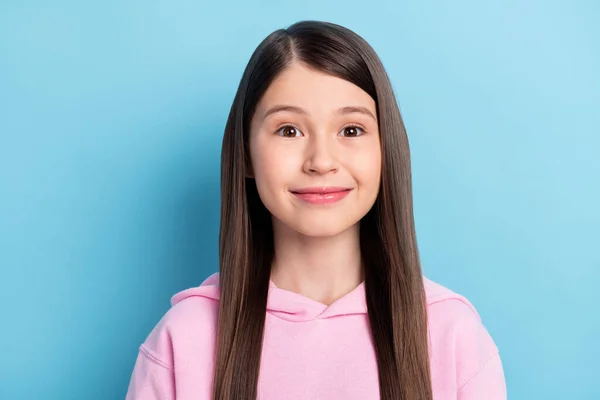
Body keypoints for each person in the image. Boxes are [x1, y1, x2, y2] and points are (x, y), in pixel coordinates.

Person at [125, 20, 507, 400]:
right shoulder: (183, 340)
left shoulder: (452, 335)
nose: (321, 161)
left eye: (351, 130)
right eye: (289, 130)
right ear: (245, 154)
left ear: (386, 149)